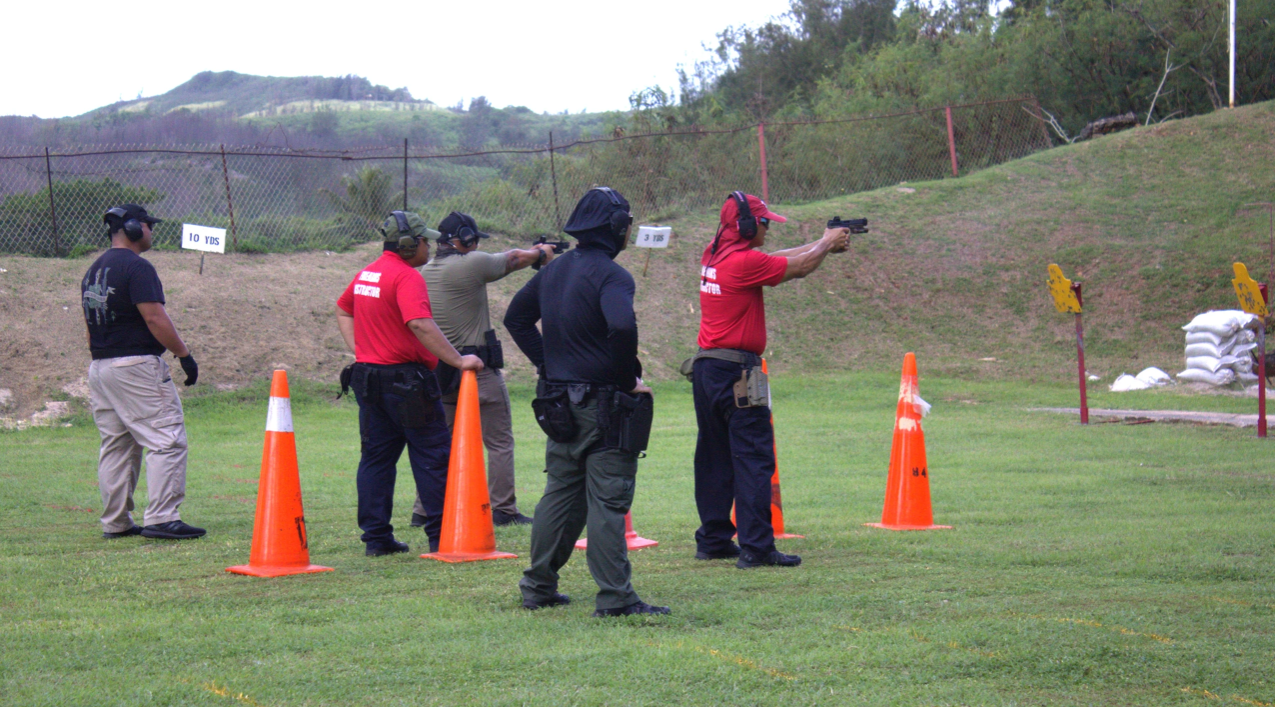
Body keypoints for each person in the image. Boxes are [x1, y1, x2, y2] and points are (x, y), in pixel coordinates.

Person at [505, 187, 668, 617]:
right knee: (609, 500)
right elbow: (620, 326)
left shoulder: (553, 271)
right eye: (627, 222)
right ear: (615, 228)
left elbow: (516, 319)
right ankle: (616, 598)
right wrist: (627, 379)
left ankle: (538, 586)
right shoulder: (614, 276)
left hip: (559, 403)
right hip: (603, 406)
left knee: (559, 493)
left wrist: (548, 366)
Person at [685, 191, 849, 569]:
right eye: (763, 222)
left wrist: (823, 243)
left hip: (708, 370)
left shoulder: (715, 253)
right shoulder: (743, 263)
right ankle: (757, 547)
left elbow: (775, 259)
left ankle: (712, 540)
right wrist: (825, 244)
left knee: (714, 457)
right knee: (753, 456)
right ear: (745, 225)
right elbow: (799, 268)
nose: (767, 228)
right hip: (738, 373)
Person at [336, 210, 483, 557]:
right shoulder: (407, 277)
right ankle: (440, 537)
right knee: (432, 456)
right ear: (409, 244)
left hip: (370, 379)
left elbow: (344, 310)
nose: (429, 247)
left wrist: (362, 351)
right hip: (407, 383)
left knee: (375, 459)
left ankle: (376, 538)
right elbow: (419, 323)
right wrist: (459, 360)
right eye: (425, 241)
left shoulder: (366, 274)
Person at [406, 211, 558, 529]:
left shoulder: (423, 273)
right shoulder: (472, 264)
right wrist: (541, 253)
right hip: (478, 371)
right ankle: (503, 507)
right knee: (499, 441)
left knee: (439, 444)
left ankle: (424, 510)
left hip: (439, 371)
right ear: (466, 239)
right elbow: (515, 258)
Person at [82, 204, 205, 540]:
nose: (152, 231)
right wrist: (184, 354)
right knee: (167, 440)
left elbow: (90, 326)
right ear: (134, 228)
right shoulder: (138, 268)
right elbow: (154, 318)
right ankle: (163, 517)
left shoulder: (94, 270)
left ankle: (117, 522)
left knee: (117, 445)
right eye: (149, 226)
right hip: (136, 366)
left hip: (100, 366)